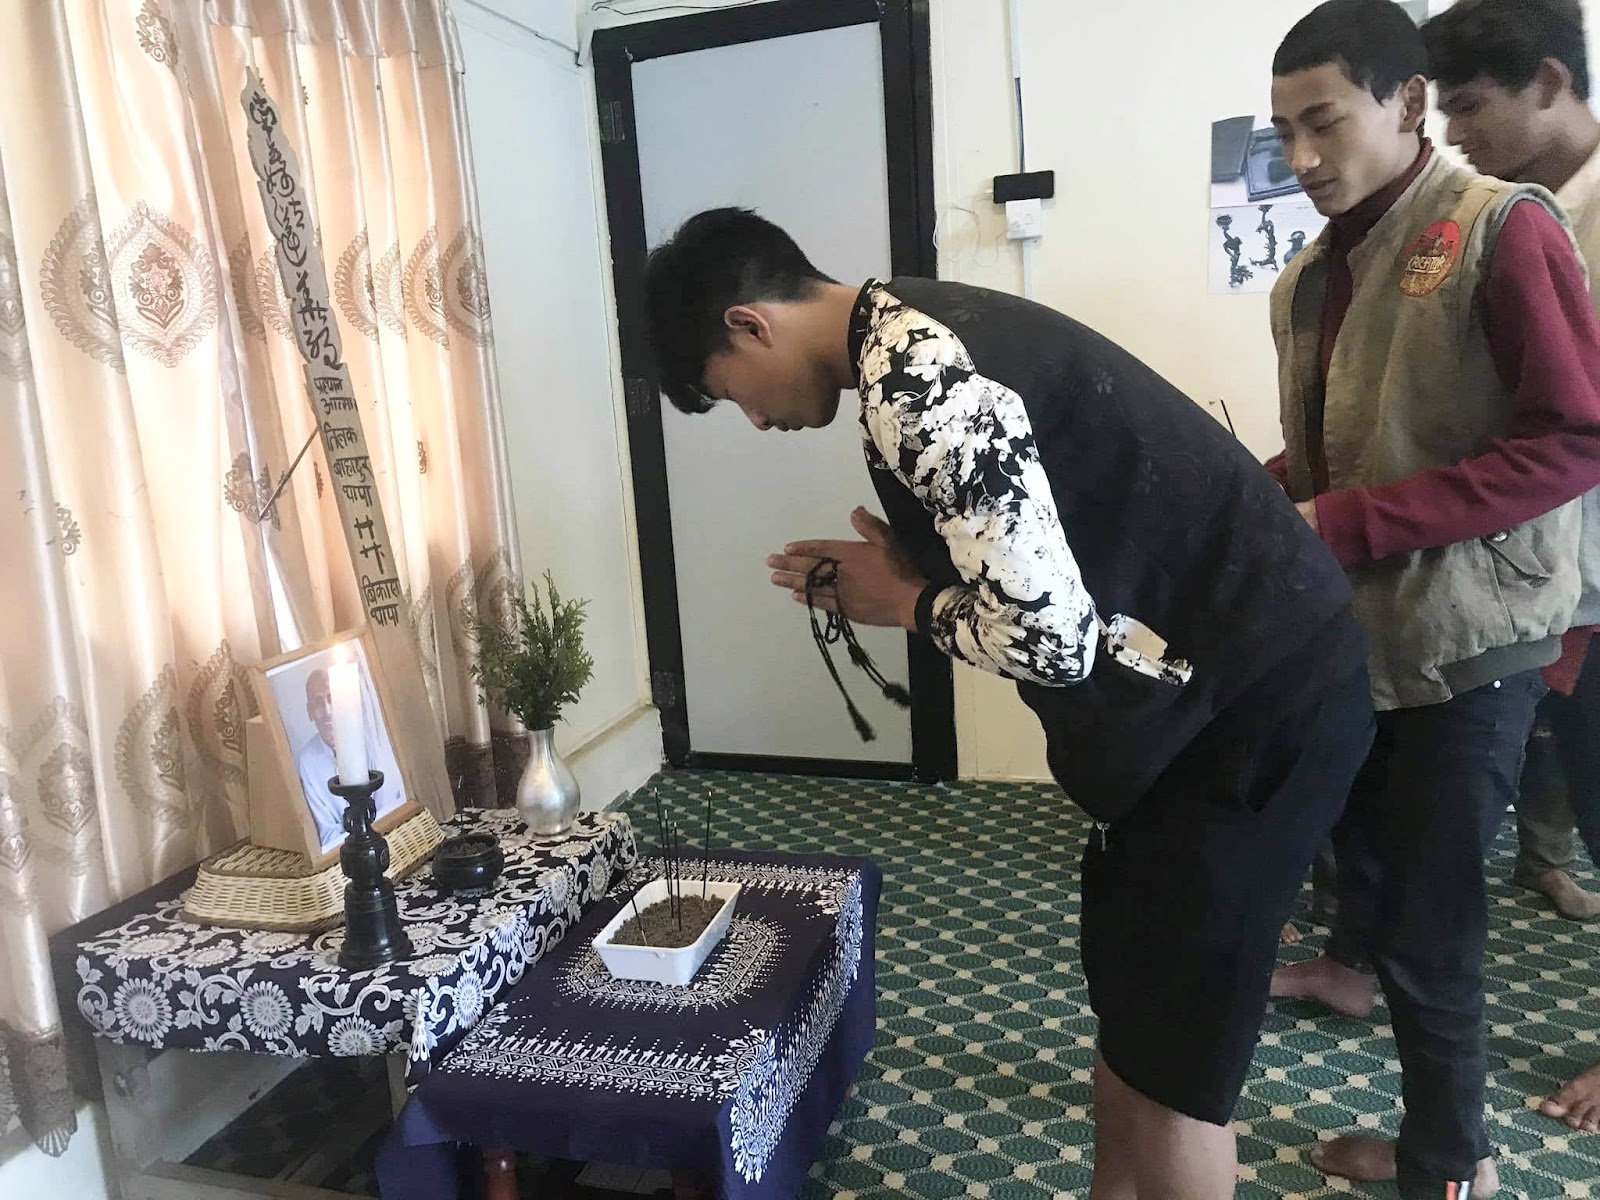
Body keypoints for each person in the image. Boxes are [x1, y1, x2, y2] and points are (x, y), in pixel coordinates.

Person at [643, 208, 1375, 1200]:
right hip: (1219, 699)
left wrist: (907, 602)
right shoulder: (915, 323)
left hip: (1247, 714)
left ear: (749, 324)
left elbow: (1051, 643)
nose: (757, 421)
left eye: (731, 394)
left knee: (1176, 1077)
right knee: (1137, 1027)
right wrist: (921, 574)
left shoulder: (913, 377)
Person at [1263, 0, 1600, 1193]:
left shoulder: (1503, 226)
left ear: (1407, 103)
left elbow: (1572, 438)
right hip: (1361, 638)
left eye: (1323, 123)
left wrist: (1341, 522)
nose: (1302, 158)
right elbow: (1337, 454)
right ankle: (1433, 1148)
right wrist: (1246, 496)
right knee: (1380, 901)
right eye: (1282, 134)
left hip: (1474, 643)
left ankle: (1449, 1169)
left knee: (1431, 930)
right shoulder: (1310, 275)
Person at [1423, 0, 1600, 1132]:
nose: (1454, 134)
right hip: (1546, 583)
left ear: (1547, 80)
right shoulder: (1504, 218)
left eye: (1469, 105)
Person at [293, 667, 401, 851]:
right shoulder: (307, 761)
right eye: (318, 702)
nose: (327, 710)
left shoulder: (368, 738)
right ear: (309, 711)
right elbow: (328, 833)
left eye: (331, 698)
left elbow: (388, 807)